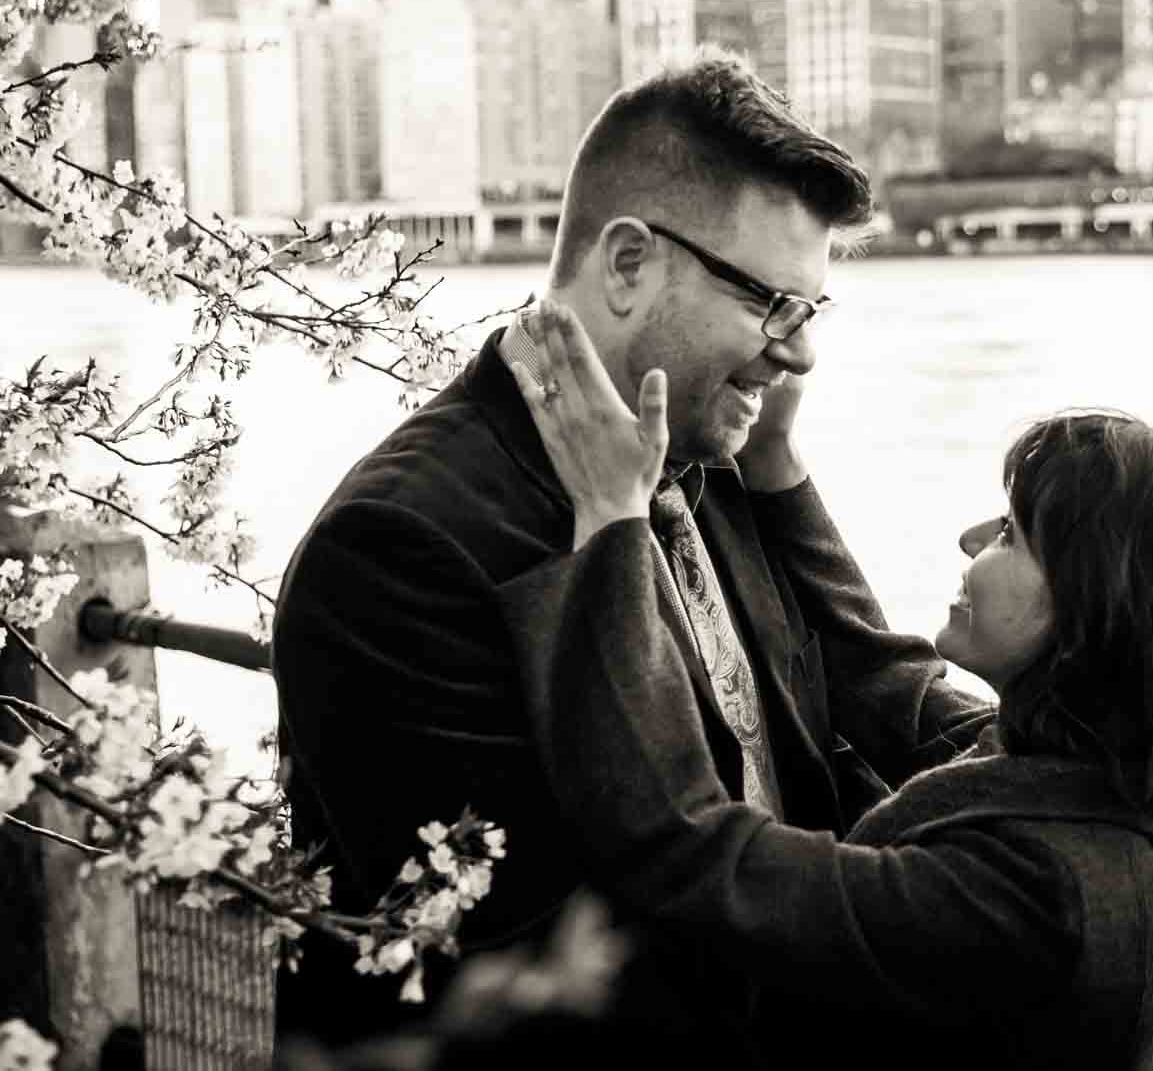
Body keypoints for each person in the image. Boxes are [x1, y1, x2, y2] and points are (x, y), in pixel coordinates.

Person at [270, 53, 993, 1048]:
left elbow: (814, 741)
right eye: (767, 302)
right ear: (625, 264)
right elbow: (522, 960)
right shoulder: (401, 547)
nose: (800, 352)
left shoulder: (713, 461)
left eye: (809, 309)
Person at [498, 300, 1153, 1070]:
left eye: (1010, 534)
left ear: (1093, 614)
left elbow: (697, 858)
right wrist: (774, 463)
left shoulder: (1030, 895)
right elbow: (882, 674)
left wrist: (611, 526)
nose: (970, 541)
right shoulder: (1106, 781)